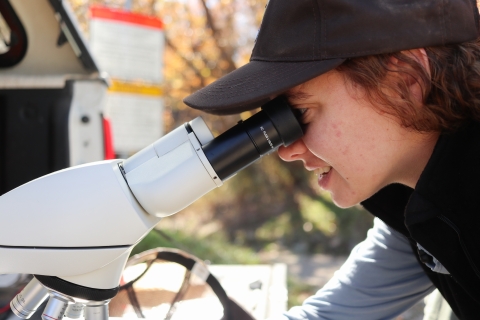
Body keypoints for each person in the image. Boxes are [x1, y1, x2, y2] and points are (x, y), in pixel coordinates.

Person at [184, 0, 480, 319]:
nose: (286, 150)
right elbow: (336, 312)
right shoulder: (413, 200)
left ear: (406, 80)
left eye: (300, 114)